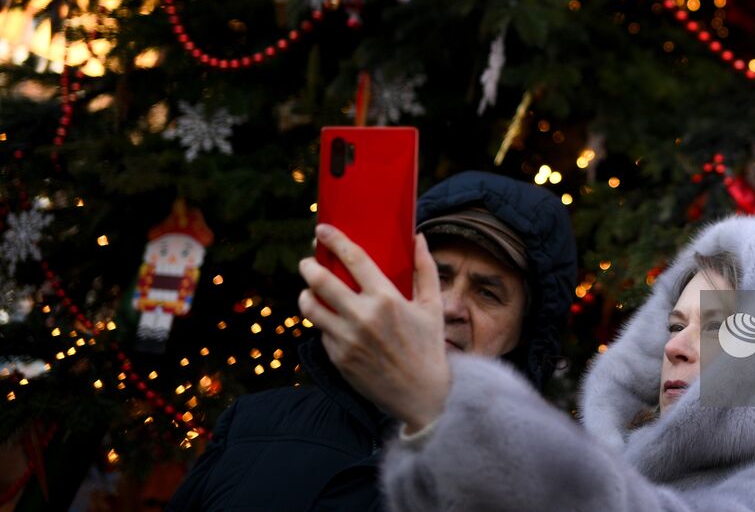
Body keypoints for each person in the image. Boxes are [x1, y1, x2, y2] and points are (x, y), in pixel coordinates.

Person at [304, 214, 755, 511]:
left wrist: (439, 400)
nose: (676, 346)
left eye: (722, 328)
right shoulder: (631, 466)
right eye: (675, 326)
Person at [166, 171, 576, 511]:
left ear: (524, 331)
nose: (449, 306)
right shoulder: (252, 423)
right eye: (435, 276)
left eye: (487, 293)